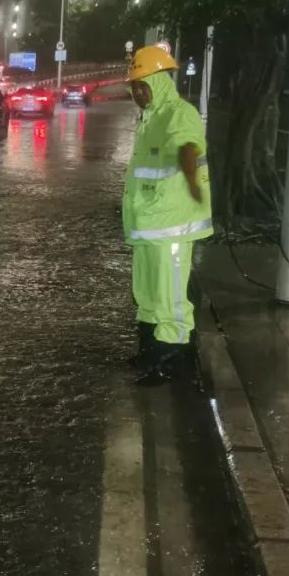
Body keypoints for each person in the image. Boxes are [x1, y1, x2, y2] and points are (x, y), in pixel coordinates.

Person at [123, 45, 213, 386]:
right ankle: (150, 350)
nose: (137, 93)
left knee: (170, 296)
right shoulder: (150, 118)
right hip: (148, 223)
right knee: (146, 291)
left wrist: (191, 179)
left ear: (159, 82)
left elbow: (188, 145)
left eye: (142, 85)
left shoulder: (179, 113)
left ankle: (174, 361)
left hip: (172, 224)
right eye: (134, 87)